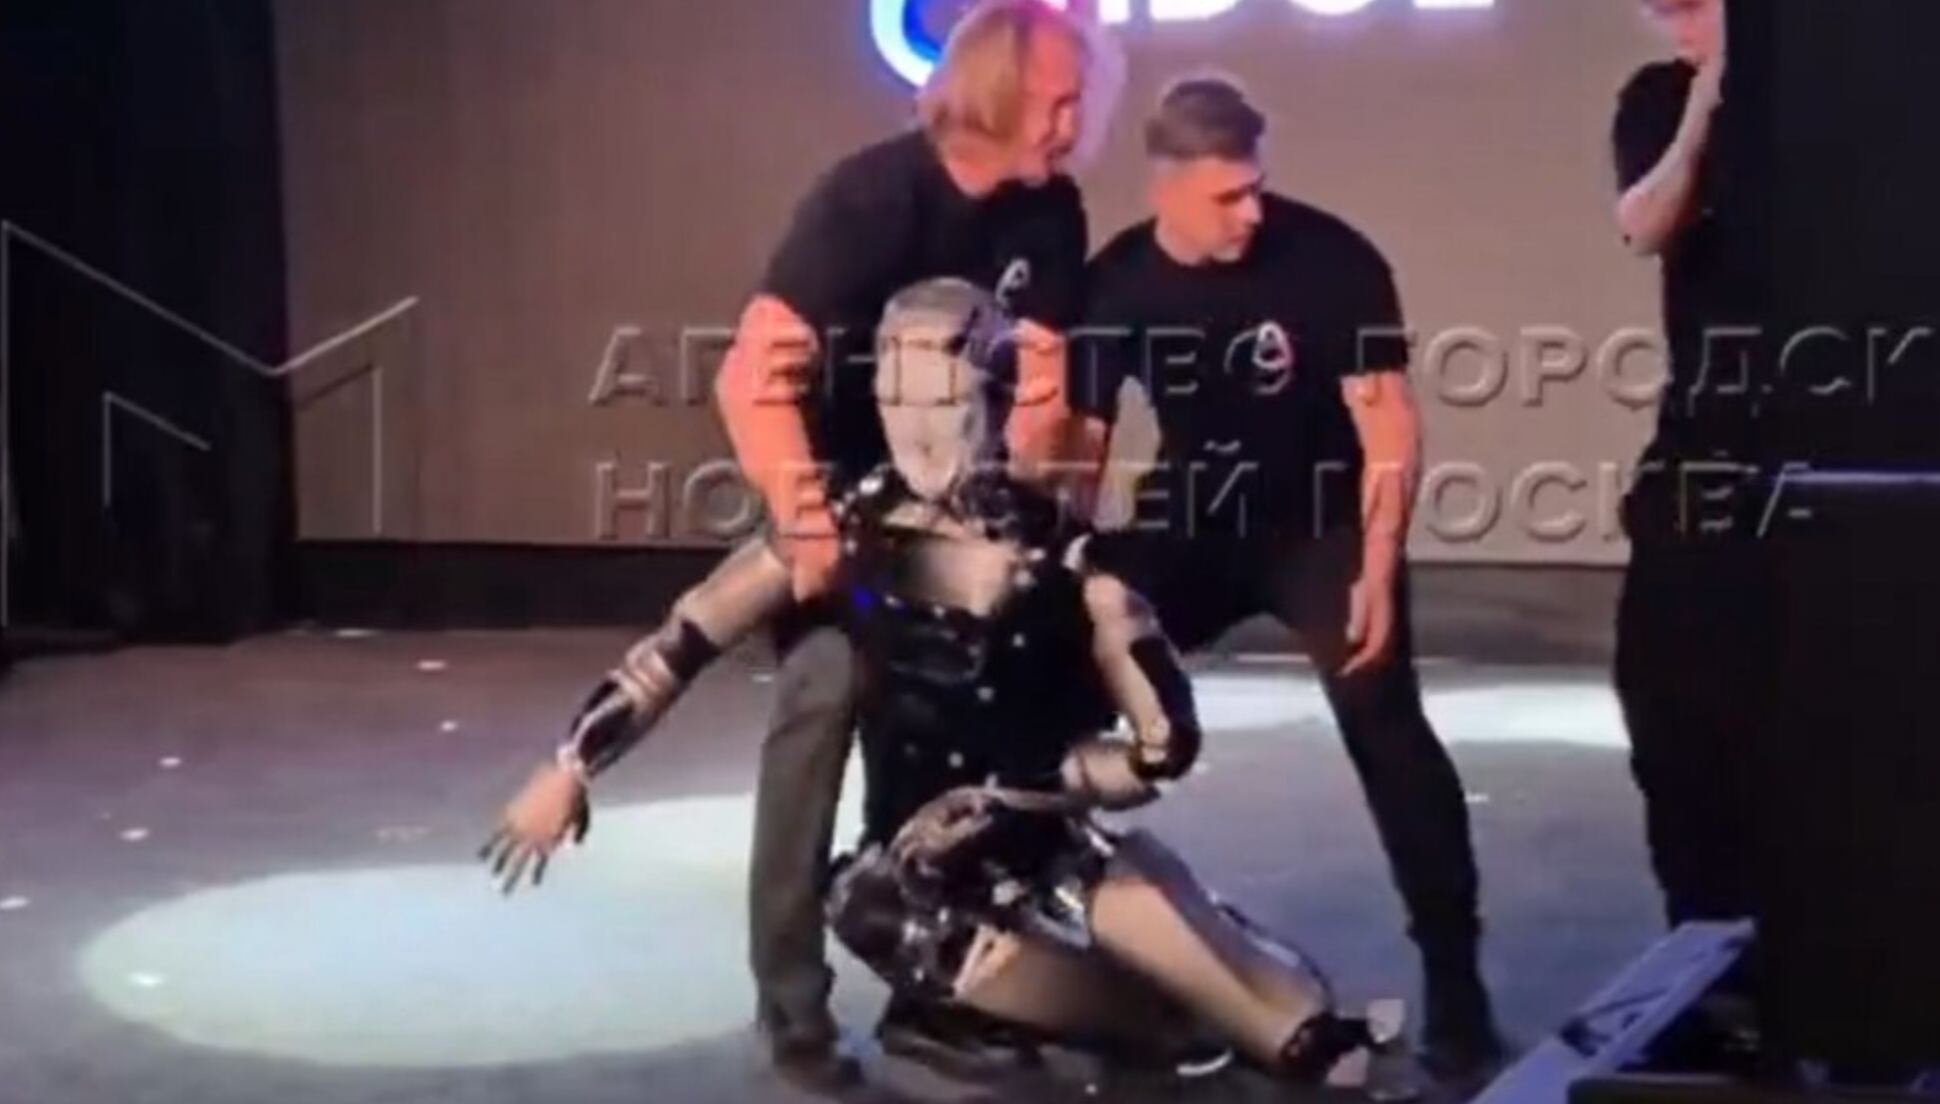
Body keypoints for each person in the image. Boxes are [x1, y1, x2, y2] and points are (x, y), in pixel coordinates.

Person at [481, 279, 1393, 1089]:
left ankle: (1236, 1017)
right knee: (1079, 997)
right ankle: (1005, 1016)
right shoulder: (846, 527)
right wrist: (570, 764)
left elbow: (1163, 749)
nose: (919, 424)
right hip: (912, 873)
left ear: (993, 393)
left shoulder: (1063, 557)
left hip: (1044, 837)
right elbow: (683, 640)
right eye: (898, 394)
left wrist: (1042, 786)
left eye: (943, 396)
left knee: (1281, 1025)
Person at [1068, 76, 1504, 1080]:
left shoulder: (1329, 259)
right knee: (1052, 681)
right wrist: (1073, 580)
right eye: (1226, 196)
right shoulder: (1118, 283)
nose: (1250, 212)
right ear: (1165, 187)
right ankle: (1085, 962)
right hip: (1192, 524)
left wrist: (1377, 569)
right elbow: (1082, 448)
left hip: (1319, 525)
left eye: (1255, 188)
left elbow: (1387, 426)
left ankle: (1455, 978)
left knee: (1382, 717)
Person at [707, 1, 1104, 1085]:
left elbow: (1045, 388)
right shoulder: (871, 200)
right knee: (824, 701)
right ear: (993, 95)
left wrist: (1042, 514)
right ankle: (793, 1015)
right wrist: (804, 523)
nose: (1073, 125)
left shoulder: (1051, 210)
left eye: (1080, 102)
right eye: (1056, 102)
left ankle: (933, 995)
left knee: (955, 744)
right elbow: (749, 378)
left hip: (961, 515)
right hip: (840, 500)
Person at [1608, 0, 1766, 927]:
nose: (1681, 30)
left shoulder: (1837, 102)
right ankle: (1704, 935)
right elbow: (1643, 224)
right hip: (1706, 436)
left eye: (1696, 9)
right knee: (1666, 697)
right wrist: (1707, 100)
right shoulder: (1661, 96)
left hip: (1845, 427)